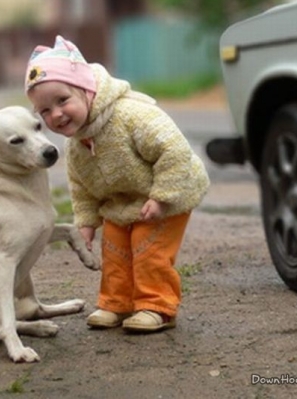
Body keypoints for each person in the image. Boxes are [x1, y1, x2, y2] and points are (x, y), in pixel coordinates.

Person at [25, 35, 210, 332]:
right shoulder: (76, 145)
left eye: (63, 101)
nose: (56, 114)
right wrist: (85, 221)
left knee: (147, 247)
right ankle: (117, 303)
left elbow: (174, 149)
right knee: (114, 247)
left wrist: (162, 197)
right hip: (122, 203)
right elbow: (81, 186)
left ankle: (157, 306)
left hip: (166, 191)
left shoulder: (131, 116)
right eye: (45, 110)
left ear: (87, 90)